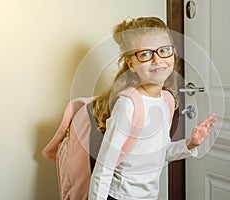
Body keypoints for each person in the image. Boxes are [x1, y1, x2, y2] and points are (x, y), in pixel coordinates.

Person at [88, 16, 217, 200]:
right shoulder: (128, 105)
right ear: (131, 64)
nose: (157, 59)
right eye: (146, 54)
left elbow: (159, 153)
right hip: (121, 196)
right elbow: (104, 166)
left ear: (172, 54)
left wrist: (190, 144)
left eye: (164, 50)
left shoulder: (166, 100)